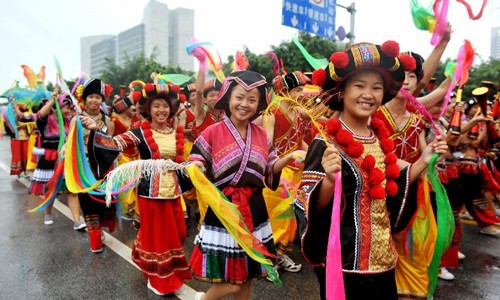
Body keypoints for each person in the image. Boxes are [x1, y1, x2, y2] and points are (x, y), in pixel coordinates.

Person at [299, 41, 448, 299]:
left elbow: (391, 188)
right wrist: (328, 183)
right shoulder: (325, 142)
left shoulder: (379, 139)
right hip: (344, 265)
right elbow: (304, 202)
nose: (368, 94)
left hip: (384, 262)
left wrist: (423, 161)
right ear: (342, 92)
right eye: (359, 85)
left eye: (376, 88)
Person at [189, 70, 306, 300]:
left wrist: (290, 158)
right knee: (232, 282)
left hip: (254, 207)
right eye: (239, 97)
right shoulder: (213, 131)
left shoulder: (261, 134)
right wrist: (198, 167)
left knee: (248, 275)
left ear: (259, 103)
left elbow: (270, 166)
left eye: (252, 100)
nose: (244, 104)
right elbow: (196, 159)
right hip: (225, 209)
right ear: (228, 99)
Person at [82, 83, 191, 296]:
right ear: (148, 109)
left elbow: (182, 159)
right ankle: (159, 279)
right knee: (160, 239)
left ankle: (164, 270)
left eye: (165, 106)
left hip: (174, 193)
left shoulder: (174, 131)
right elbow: (113, 144)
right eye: (156, 106)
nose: (161, 110)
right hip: (151, 194)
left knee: (178, 234)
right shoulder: (139, 133)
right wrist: (97, 130)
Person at [254, 71, 312, 274]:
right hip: (280, 173)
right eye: (298, 90)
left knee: (288, 218)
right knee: (280, 217)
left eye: (301, 89)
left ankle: (278, 255)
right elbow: (266, 143)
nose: (302, 93)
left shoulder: (296, 112)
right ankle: (269, 263)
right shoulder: (272, 113)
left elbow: (299, 140)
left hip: (296, 171)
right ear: (285, 91)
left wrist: (314, 157)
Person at [17, 94, 85, 229]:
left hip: (65, 159)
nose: (68, 109)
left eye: (69, 106)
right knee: (50, 190)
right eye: (65, 107)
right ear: (56, 108)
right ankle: (48, 213)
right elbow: (39, 115)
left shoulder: (69, 120)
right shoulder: (45, 121)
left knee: (72, 190)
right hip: (49, 160)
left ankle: (77, 221)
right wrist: (52, 99)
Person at [69, 78, 116, 253]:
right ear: (85, 99)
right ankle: (94, 240)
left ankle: (99, 230)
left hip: (103, 168)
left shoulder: (107, 120)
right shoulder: (77, 120)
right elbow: (70, 144)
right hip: (85, 168)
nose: (95, 100)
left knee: (104, 204)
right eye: (91, 97)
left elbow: (110, 144)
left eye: (98, 97)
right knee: (88, 203)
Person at [111, 95, 139, 220]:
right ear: (125, 108)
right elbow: (109, 139)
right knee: (125, 184)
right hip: (122, 156)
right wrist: (115, 153)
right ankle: (125, 210)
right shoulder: (114, 121)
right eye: (130, 106)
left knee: (134, 183)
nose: (133, 108)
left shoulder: (130, 120)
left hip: (134, 155)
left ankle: (132, 208)